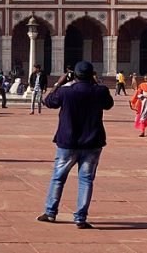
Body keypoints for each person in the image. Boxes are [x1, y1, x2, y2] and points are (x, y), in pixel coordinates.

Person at [36, 61, 113, 229]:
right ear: (92, 75)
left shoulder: (66, 92)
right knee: (86, 180)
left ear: (75, 75)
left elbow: (48, 102)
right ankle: (80, 218)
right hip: (92, 142)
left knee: (58, 177)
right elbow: (109, 104)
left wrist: (58, 83)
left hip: (68, 142)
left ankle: (50, 213)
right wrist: (97, 82)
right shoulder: (100, 91)